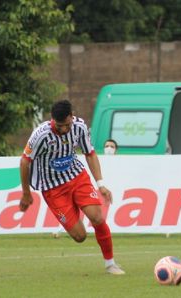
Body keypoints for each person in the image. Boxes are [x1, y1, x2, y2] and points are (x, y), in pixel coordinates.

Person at [19, 99, 125, 275]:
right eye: (59, 126)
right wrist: (26, 193)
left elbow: (90, 153)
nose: (63, 129)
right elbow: (24, 162)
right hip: (53, 188)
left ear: (71, 117)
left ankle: (110, 264)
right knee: (80, 236)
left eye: (66, 125)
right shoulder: (40, 135)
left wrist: (101, 184)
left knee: (97, 217)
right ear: (53, 120)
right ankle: (74, 214)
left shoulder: (79, 127)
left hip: (77, 177)